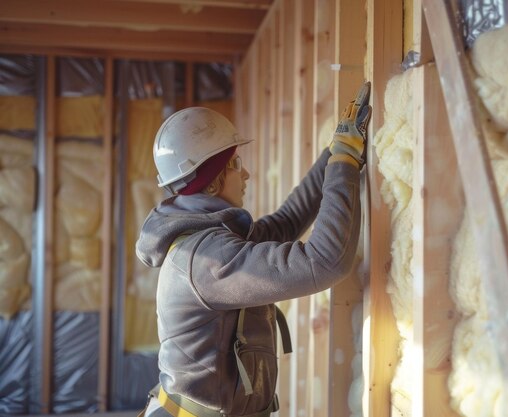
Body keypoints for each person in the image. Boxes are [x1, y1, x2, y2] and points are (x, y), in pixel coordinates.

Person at [136, 81, 371, 417]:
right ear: (212, 180)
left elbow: (286, 223)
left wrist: (335, 151)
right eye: (234, 164)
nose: (246, 173)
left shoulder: (210, 241)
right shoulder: (206, 260)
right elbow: (326, 260)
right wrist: (345, 162)